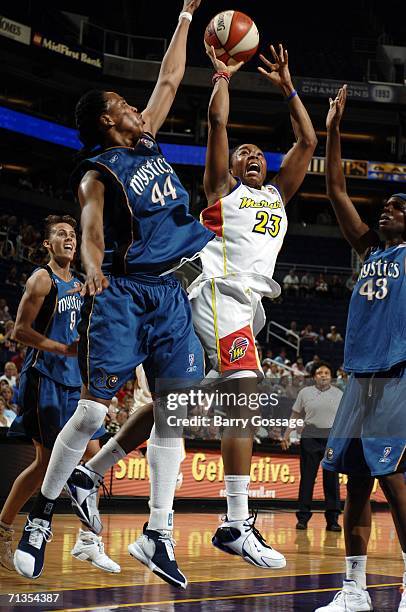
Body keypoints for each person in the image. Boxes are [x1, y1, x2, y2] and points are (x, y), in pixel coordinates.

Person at [14, 0, 212, 589]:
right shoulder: (97, 171)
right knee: (96, 411)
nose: (135, 108)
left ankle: (157, 533)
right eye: (124, 106)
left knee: (175, 410)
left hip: (170, 294)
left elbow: (171, 79)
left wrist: (182, 19)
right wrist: (94, 269)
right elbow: (93, 230)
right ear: (107, 121)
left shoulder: (146, 140)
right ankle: (41, 518)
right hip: (123, 294)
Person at [187, 41, 317, 568]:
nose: (253, 157)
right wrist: (223, 78)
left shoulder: (276, 197)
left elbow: (307, 139)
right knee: (243, 397)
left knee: (174, 406)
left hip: (245, 308)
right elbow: (219, 128)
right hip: (218, 296)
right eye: (245, 155)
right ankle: (237, 521)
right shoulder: (222, 190)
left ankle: (88, 469)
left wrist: (288, 87)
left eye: (259, 154)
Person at [315, 85, 406, 612]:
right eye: (386, 206)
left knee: (394, 481)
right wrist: (332, 132)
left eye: (397, 207)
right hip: (359, 378)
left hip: (397, 376)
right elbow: (334, 191)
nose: (386, 211)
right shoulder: (370, 249)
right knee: (356, 484)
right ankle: (354, 590)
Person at [0, 216, 117, 574]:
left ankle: (88, 541)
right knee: (46, 462)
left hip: (75, 382)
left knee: (93, 459)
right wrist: (62, 349)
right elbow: (19, 331)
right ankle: (4, 528)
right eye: (62, 235)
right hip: (44, 377)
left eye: (73, 234)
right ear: (48, 245)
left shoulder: (82, 284)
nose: (69, 239)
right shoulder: (41, 279)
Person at [281, 362, 342, 531]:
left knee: (332, 480)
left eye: (327, 372)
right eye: (320, 372)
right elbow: (295, 414)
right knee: (307, 479)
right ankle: (303, 518)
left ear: (331, 376)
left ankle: (333, 519)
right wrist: (286, 435)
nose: (323, 375)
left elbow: (345, 419)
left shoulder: (339, 394)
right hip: (310, 436)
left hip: (331, 437)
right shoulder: (305, 392)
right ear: (314, 376)